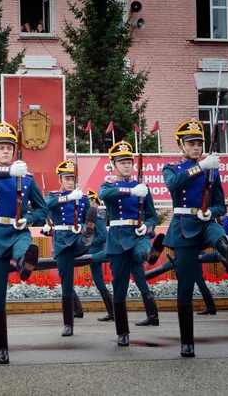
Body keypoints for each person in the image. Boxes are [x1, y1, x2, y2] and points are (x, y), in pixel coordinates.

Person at [162, 118, 228, 358]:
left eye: (199, 143)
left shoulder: (212, 170)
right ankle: (187, 342)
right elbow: (174, 184)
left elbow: (220, 204)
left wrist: (212, 212)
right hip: (183, 227)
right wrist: (202, 166)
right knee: (185, 287)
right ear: (181, 146)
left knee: (218, 232)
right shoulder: (171, 168)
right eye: (191, 143)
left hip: (205, 221)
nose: (196, 147)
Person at [0, 121, 48, 364]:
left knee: (25, 247)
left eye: (9, 147)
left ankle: (25, 262)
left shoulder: (27, 179)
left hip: (18, 231)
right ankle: (1, 348)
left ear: (15, 150)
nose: (5, 151)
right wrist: (7, 172)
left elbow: (41, 208)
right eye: (0, 147)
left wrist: (27, 218)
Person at [98, 140, 165, 347]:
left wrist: (146, 226)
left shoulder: (143, 188)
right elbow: (103, 195)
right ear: (113, 165)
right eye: (122, 162)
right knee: (119, 288)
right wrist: (130, 192)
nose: (127, 165)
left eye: (129, 162)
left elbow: (152, 216)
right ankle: (122, 332)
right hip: (118, 239)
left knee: (142, 250)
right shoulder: (108, 186)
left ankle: (149, 255)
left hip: (137, 235)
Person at [44, 160, 98, 336]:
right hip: (61, 242)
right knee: (66, 283)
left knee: (84, 240)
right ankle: (68, 324)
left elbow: (83, 214)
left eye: (72, 179)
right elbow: (48, 206)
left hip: (78, 237)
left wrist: (85, 224)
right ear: (60, 179)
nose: (70, 182)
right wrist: (68, 197)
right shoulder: (53, 196)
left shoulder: (82, 199)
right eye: (67, 178)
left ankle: (88, 235)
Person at [87, 189, 115, 322]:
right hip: (92, 251)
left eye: (90, 201)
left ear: (94, 202)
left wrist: (87, 245)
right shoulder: (90, 216)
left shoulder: (98, 216)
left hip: (95, 252)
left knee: (100, 283)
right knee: (99, 284)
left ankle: (113, 311)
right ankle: (112, 312)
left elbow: (103, 236)